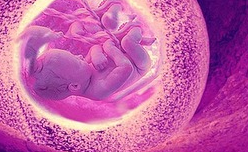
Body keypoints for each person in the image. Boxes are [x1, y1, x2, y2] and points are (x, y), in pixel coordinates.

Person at [20, 23, 152, 102]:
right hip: (138, 65)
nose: (80, 56)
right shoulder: (99, 90)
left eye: (75, 56)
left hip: (122, 54)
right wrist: (110, 49)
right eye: (77, 61)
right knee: (127, 42)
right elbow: (126, 68)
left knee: (117, 41)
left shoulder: (84, 73)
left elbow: (95, 48)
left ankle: (138, 40)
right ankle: (138, 30)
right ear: (75, 86)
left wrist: (97, 55)